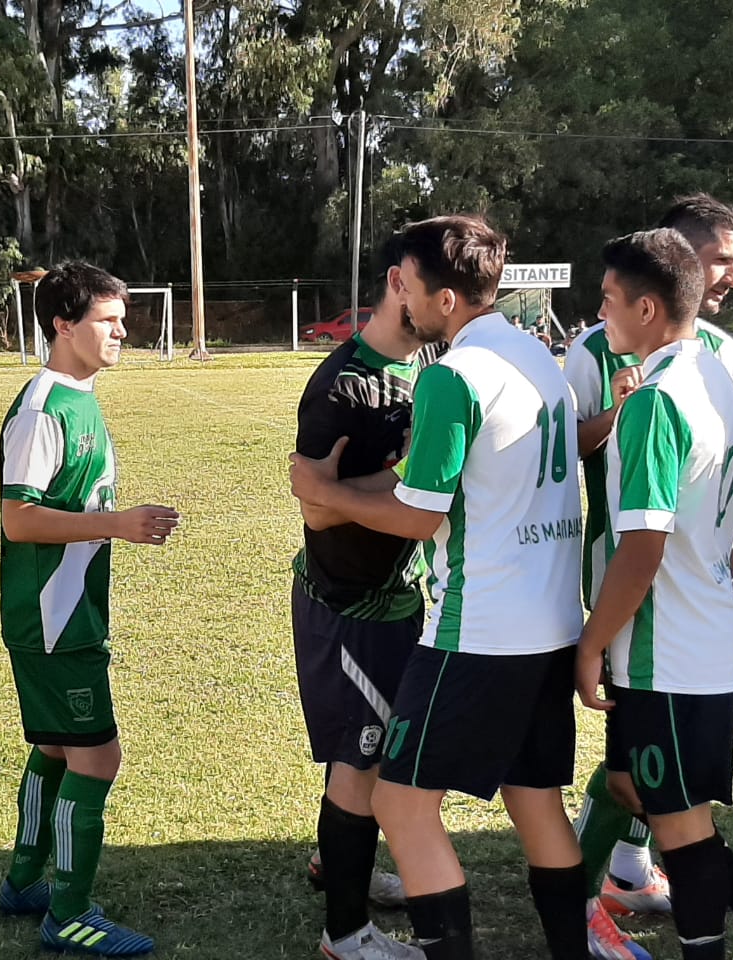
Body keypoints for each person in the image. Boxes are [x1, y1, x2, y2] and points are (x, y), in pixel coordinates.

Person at [291, 214, 588, 960]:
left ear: (444, 298)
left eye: (413, 288)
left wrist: (327, 495)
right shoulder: (539, 356)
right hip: (555, 620)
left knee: (399, 802)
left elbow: (420, 515)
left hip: (479, 627)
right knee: (537, 802)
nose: (405, 301)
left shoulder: (454, 375)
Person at [576, 228, 733, 960]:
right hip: (698, 629)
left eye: (609, 299)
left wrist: (590, 645)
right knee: (636, 790)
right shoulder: (715, 375)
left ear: (646, 309)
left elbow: (643, 547)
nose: (601, 313)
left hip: (664, 649)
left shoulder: (654, 402)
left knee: (679, 827)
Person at [0, 261, 180, 956]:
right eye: (107, 321)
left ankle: (23, 882)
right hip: (54, 617)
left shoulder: (81, 396)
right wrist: (118, 524)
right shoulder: (42, 409)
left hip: (67, 613)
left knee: (54, 747)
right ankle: (68, 914)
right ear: (62, 325)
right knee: (98, 759)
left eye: (122, 321)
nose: (121, 332)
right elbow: (19, 519)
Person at [291, 233, 445, 960]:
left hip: (398, 597)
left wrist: (408, 478)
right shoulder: (340, 385)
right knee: (363, 763)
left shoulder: (430, 365)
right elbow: (316, 508)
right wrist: (414, 478)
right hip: (349, 605)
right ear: (397, 284)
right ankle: (345, 935)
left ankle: (338, 864)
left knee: (371, 749)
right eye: (432, 289)